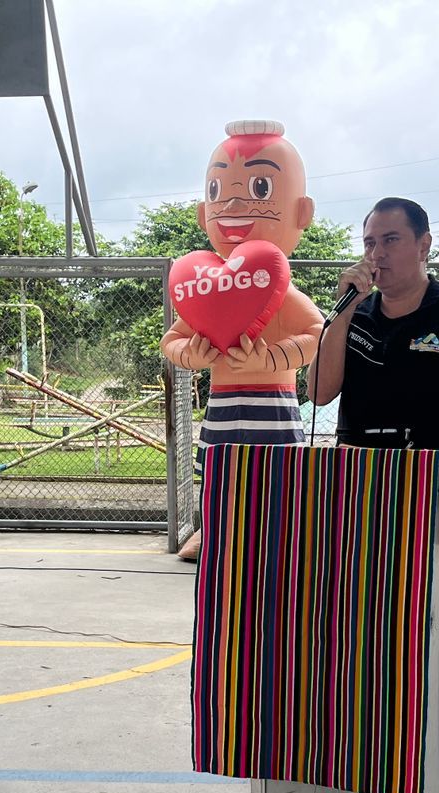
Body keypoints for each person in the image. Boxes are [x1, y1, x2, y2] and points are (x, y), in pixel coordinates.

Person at [311, 196, 439, 793]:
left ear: (424, 245)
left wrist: (437, 477)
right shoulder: (356, 315)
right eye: (370, 241)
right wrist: (343, 311)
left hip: (438, 505)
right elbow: (320, 392)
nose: (377, 253)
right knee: (359, 639)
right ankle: (367, 759)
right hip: (360, 503)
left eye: (391, 240)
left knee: (438, 642)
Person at [161, 119, 324, 561]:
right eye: (217, 191)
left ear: (302, 212)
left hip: (275, 403)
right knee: (217, 473)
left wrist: (273, 359)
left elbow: (317, 333)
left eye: (260, 187)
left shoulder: (281, 290)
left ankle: (281, 540)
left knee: (280, 475)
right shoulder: (205, 289)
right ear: (204, 213)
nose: (233, 204)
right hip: (222, 403)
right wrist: (190, 354)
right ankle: (216, 531)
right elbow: (171, 339)